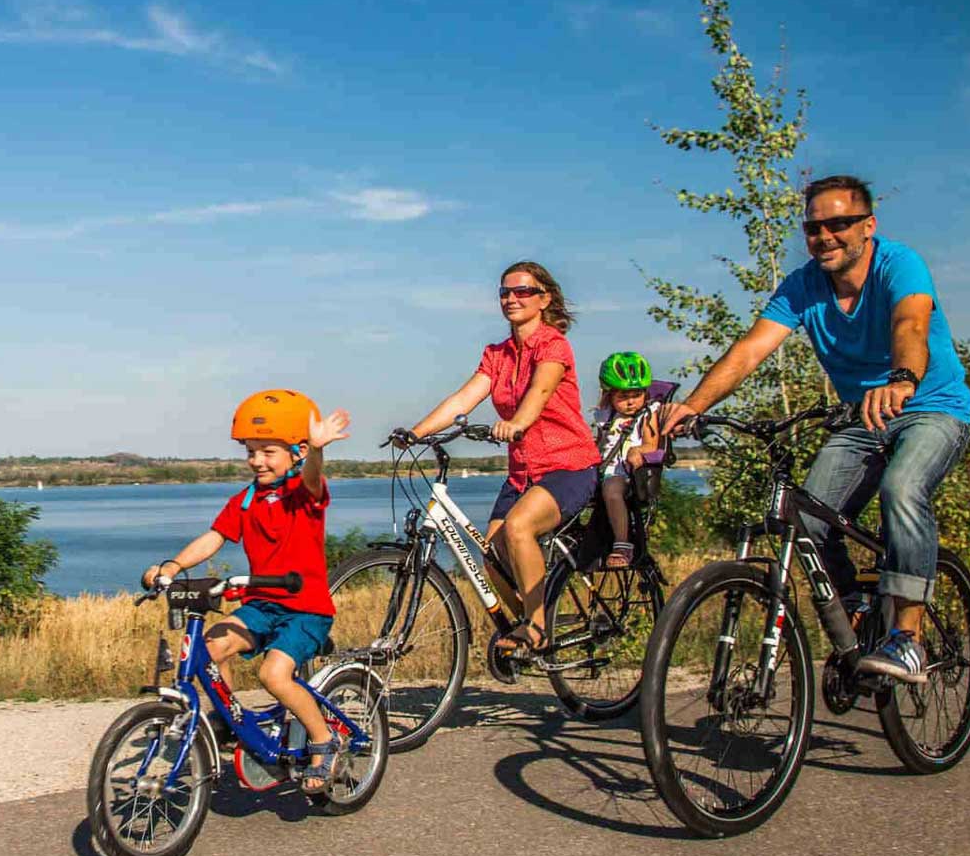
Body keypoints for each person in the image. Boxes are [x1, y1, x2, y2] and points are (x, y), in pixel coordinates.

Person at [661, 175, 970, 684]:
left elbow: (910, 324)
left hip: (930, 406)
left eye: (839, 224)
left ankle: (908, 640)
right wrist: (692, 406)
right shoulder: (803, 285)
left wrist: (901, 379)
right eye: (814, 228)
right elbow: (750, 350)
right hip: (862, 418)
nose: (825, 236)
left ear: (867, 227)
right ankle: (854, 617)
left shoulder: (899, 264)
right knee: (806, 521)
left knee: (902, 487)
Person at [144, 389, 351, 795]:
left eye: (268, 451)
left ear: (297, 451)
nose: (257, 460)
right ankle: (228, 718)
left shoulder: (304, 493)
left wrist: (317, 453)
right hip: (261, 604)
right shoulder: (246, 500)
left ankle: (323, 742)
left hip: (305, 608)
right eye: (251, 451)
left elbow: (312, 479)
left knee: (273, 674)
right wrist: (173, 566)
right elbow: (215, 537)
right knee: (207, 650)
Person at [394, 261, 602, 654]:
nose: (511, 298)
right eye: (505, 292)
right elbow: (463, 398)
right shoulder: (497, 354)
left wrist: (517, 423)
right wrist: (415, 433)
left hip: (567, 464)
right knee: (492, 555)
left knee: (518, 528)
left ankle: (537, 627)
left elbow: (540, 392)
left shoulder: (553, 344)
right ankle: (536, 620)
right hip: (523, 472)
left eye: (523, 291)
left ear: (545, 298)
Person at [591, 350, 665, 569]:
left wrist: (638, 451)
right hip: (605, 467)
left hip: (626, 472)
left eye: (636, 395)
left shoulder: (648, 414)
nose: (631, 402)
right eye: (623, 397)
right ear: (609, 396)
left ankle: (623, 544)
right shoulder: (607, 417)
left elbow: (652, 444)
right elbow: (599, 444)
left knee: (612, 491)